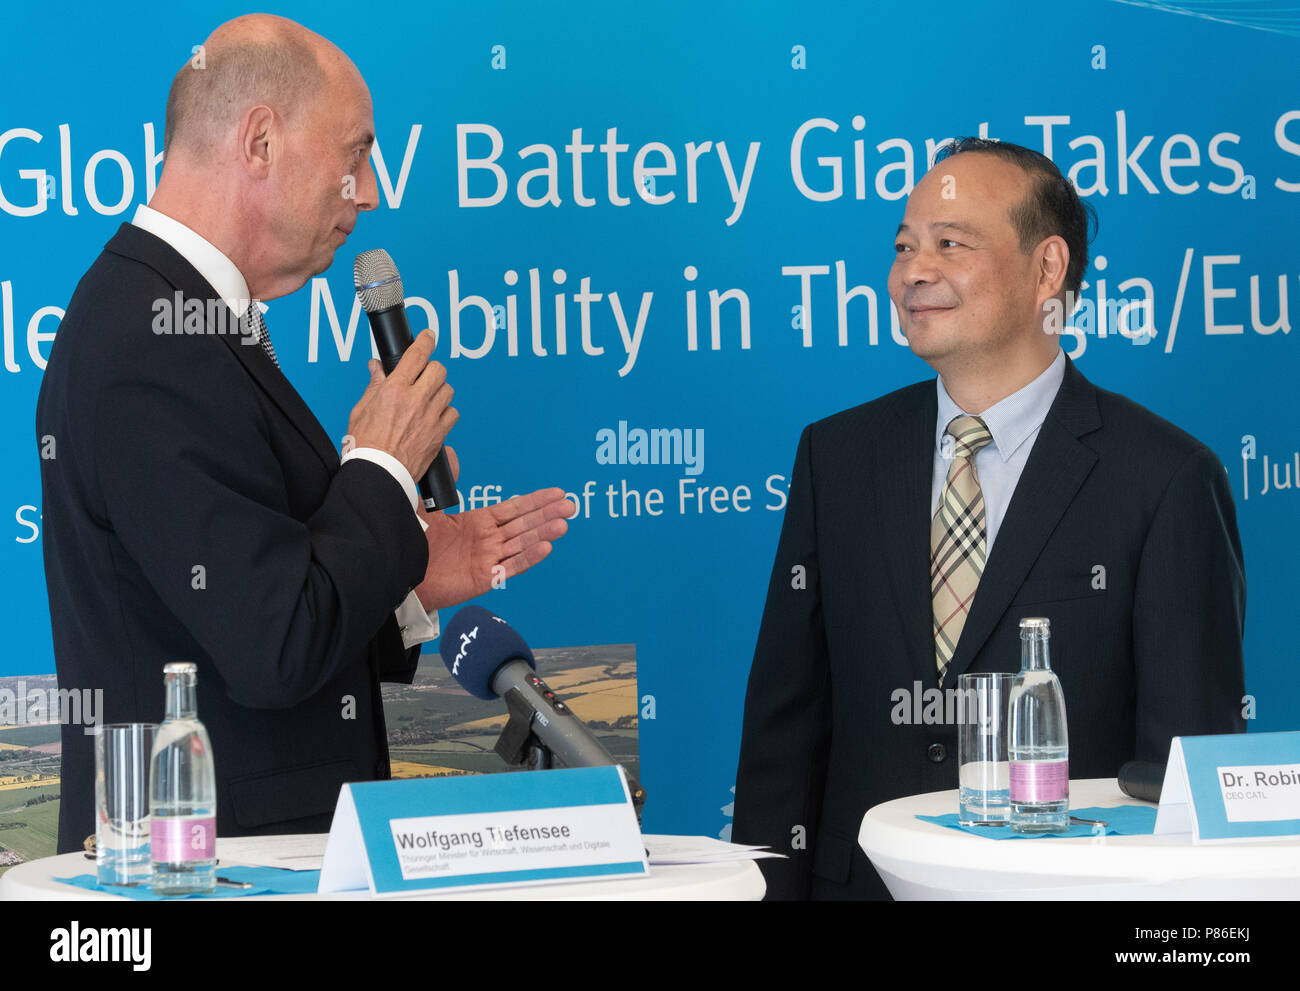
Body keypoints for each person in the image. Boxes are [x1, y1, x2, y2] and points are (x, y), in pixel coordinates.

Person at [37, 15, 572, 854]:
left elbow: (257, 604)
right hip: (205, 871)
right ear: (259, 141)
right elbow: (274, 645)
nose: (369, 192)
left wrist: (410, 577)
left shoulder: (188, 321)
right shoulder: (148, 340)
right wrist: (384, 466)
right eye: (355, 154)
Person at [731, 138, 1246, 900]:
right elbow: (785, 736)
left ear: (1048, 270)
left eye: (950, 243)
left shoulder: (1165, 477)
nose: (914, 270)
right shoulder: (834, 457)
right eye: (904, 246)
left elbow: (1183, 774)